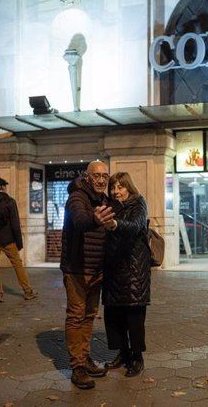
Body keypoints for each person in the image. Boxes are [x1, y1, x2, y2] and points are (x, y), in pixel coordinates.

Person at [60, 160, 114, 390]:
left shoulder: (104, 199)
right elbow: (80, 220)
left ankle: (85, 357)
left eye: (105, 176)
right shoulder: (77, 197)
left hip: (96, 269)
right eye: (96, 176)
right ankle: (77, 367)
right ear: (87, 177)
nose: (101, 180)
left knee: (90, 315)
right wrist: (95, 219)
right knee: (76, 315)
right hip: (77, 269)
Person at [100, 172, 152, 378]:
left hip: (133, 268)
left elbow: (135, 226)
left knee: (133, 315)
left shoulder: (138, 203)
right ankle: (123, 353)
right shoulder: (111, 205)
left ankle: (137, 357)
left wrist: (115, 225)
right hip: (113, 267)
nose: (116, 191)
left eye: (120, 187)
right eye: (113, 187)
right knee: (114, 314)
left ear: (128, 187)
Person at [0, 178, 37, 303]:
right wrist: (19, 243)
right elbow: (15, 224)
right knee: (17, 264)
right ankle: (27, 291)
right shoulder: (10, 202)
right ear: (3, 187)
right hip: (8, 240)